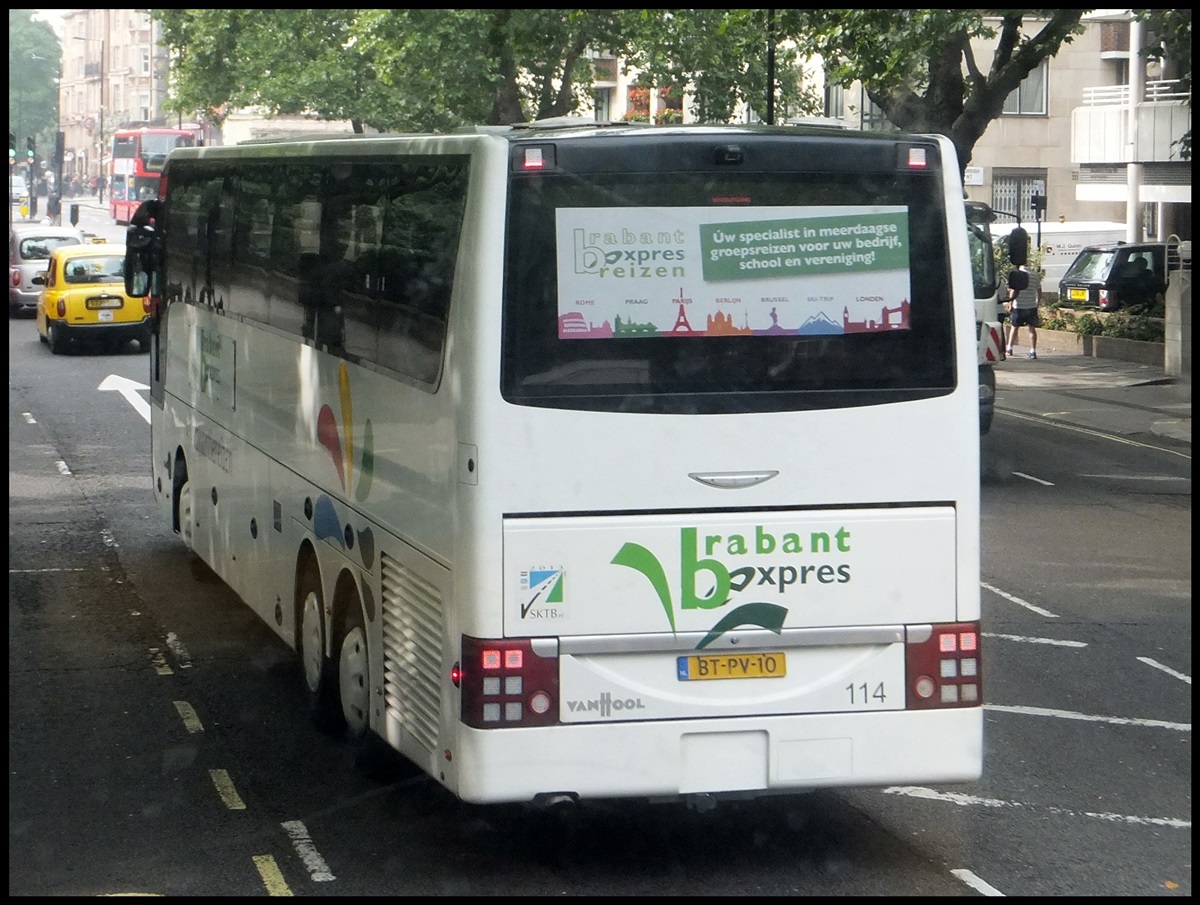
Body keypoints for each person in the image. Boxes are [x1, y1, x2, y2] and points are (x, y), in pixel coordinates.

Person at [1005, 263, 1042, 360]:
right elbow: (1039, 291)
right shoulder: (1035, 275)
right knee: (1031, 329)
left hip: (1018, 305)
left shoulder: (1018, 275)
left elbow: (1013, 291)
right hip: (1031, 306)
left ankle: (1009, 348)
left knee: (1014, 328)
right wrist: (1037, 303)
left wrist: (1010, 303)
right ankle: (1033, 351)